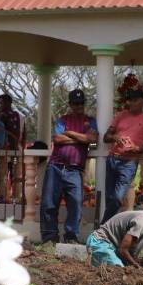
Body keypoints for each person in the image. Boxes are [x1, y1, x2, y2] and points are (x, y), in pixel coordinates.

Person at [40, 89, 99, 244]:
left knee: (75, 205)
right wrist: (82, 138)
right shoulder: (62, 120)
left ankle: (71, 236)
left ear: (84, 103)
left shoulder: (90, 121)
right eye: (75, 103)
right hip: (56, 166)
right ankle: (49, 237)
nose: (78, 106)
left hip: (75, 169)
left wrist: (70, 133)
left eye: (81, 103)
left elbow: (93, 139)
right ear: (70, 104)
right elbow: (58, 139)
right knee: (49, 204)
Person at [101, 89, 143, 222]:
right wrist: (115, 137)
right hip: (112, 159)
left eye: (134, 100)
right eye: (129, 100)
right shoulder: (121, 115)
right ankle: (109, 229)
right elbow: (106, 137)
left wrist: (136, 148)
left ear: (142, 102)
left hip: (129, 163)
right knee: (109, 198)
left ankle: (102, 228)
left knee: (117, 198)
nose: (130, 103)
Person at [86, 204, 143, 268]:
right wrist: (136, 265)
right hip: (100, 242)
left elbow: (130, 251)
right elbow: (123, 250)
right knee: (118, 271)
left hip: (112, 247)